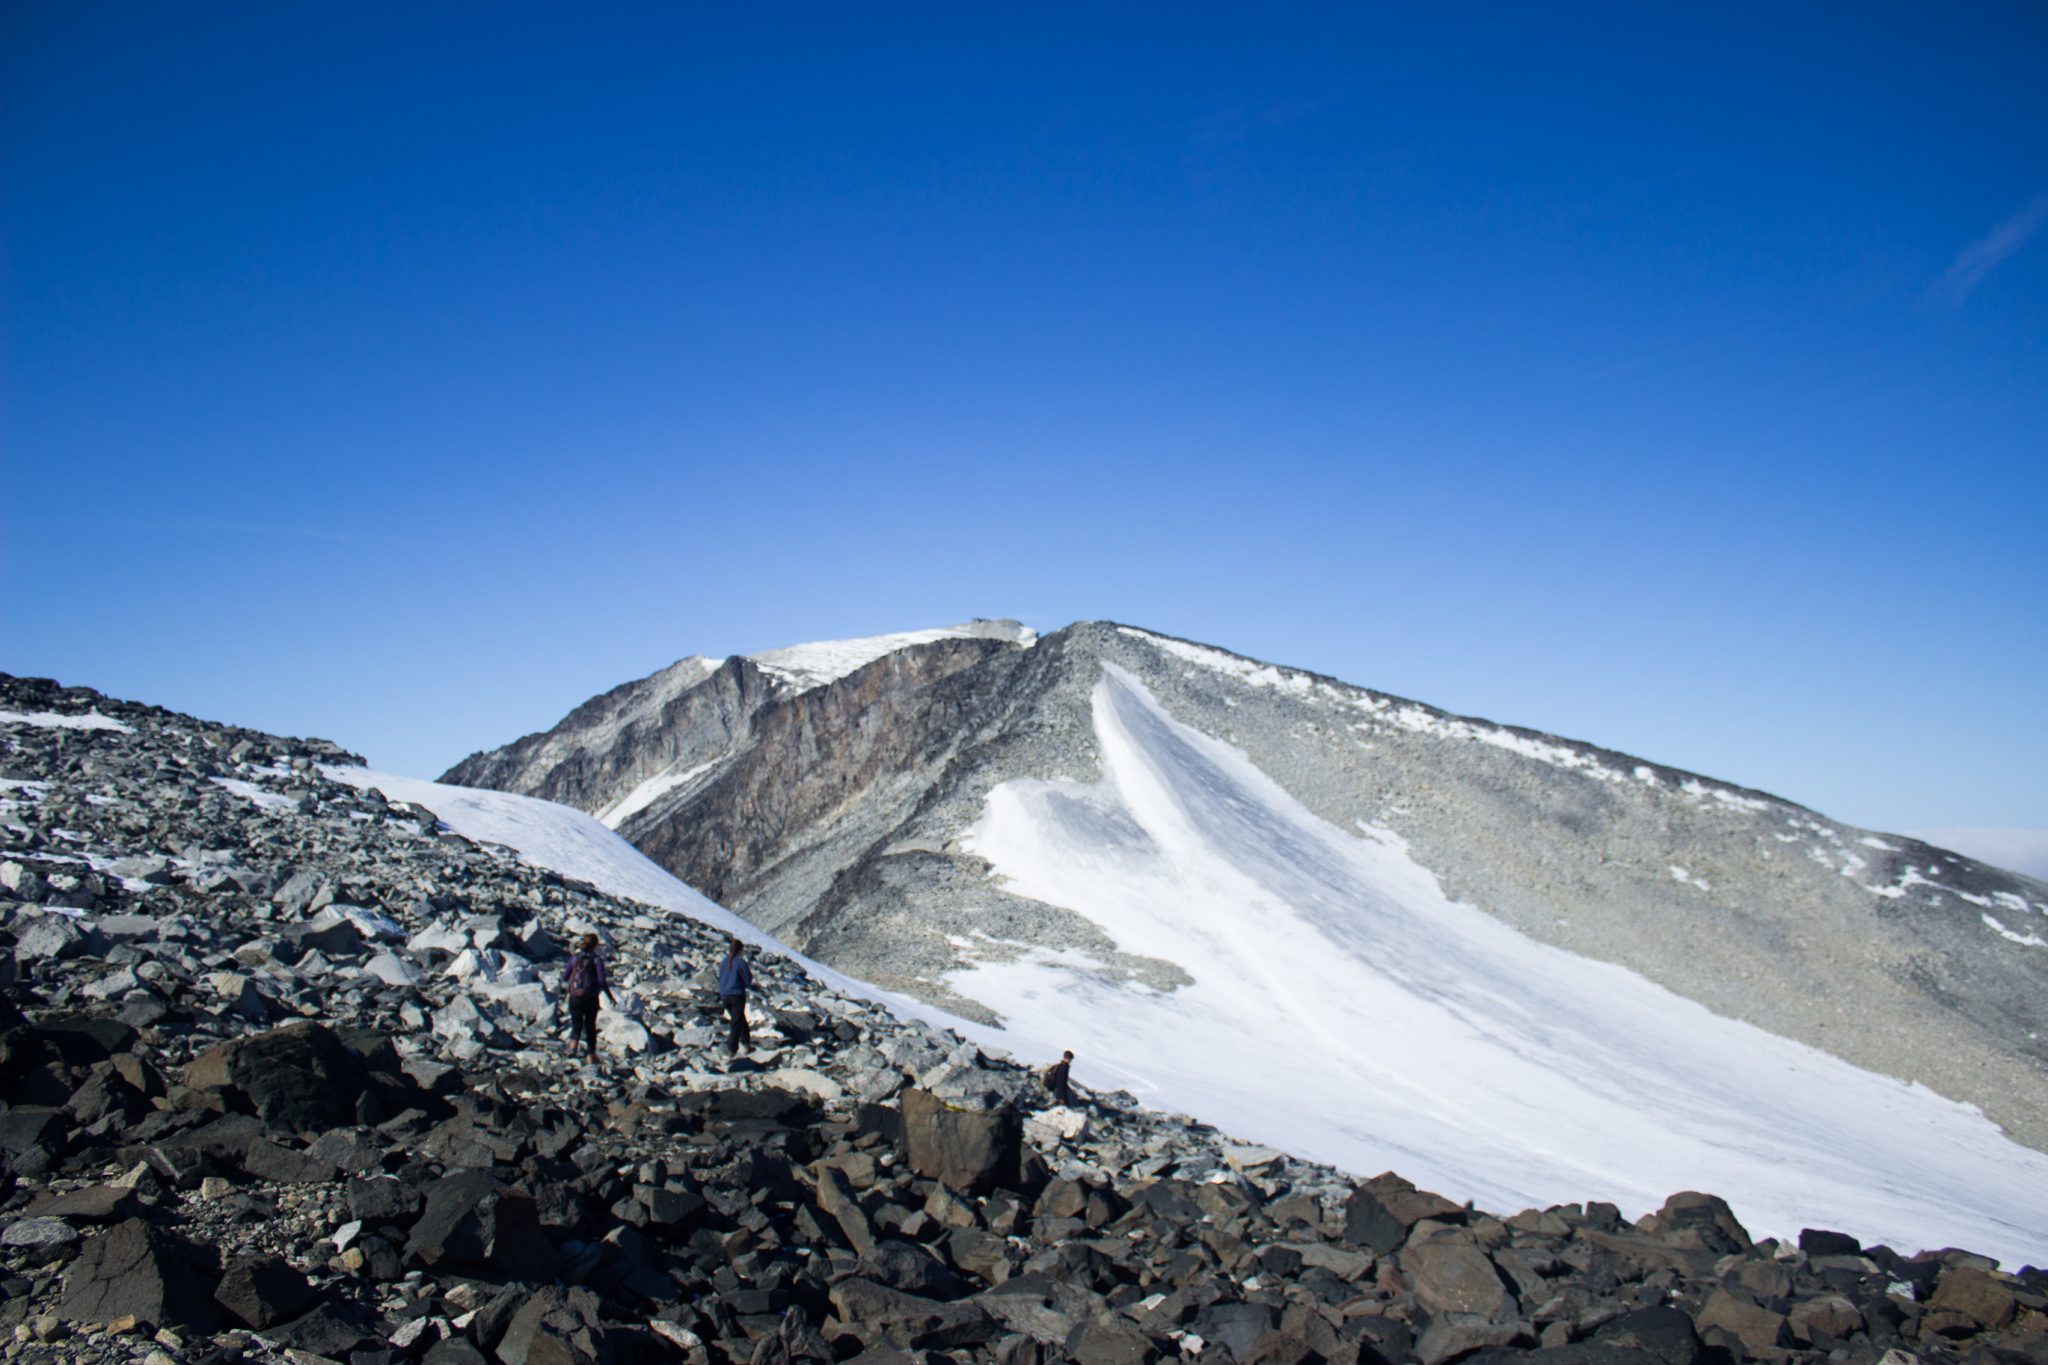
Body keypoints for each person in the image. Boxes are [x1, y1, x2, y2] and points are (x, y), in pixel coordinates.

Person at [563, 932, 616, 1063]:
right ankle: (591, 1055)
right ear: (595, 945)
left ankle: (572, 1048)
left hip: (575, 997)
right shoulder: (596, 959)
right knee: (590, 1026)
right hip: (591, 998)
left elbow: (565, 976)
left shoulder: (575, 957)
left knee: (576, 1023)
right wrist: (609, 996)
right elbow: (602, 980)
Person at [717, 937, 753, 1057]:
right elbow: (748, 979)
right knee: (736, 1022)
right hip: (737, 994)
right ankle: (732, 1049)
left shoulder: (724, 962)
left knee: (739, 1018)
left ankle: (746, 1043)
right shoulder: (740, 962)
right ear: (740, 950)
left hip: (724, 995)